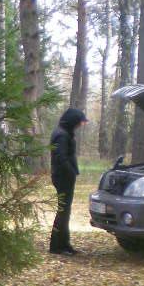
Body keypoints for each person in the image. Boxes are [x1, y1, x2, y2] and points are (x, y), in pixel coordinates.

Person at [49, 107, 88, 256]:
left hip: (64, 177)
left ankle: (64, 244)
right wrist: (71, 172)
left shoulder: (64, 133)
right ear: (72, 122)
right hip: (63, 177)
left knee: (65, 211)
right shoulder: (62, 135)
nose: (80, 126)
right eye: (79, 123)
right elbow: (61, 157)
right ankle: (57, 246)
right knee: (63, 212)